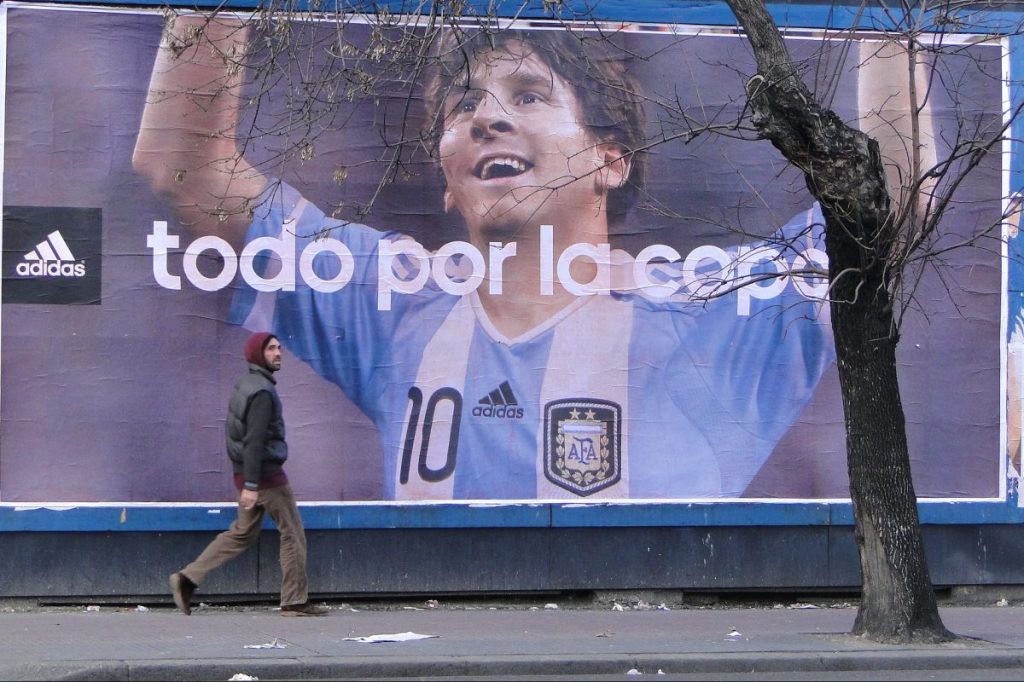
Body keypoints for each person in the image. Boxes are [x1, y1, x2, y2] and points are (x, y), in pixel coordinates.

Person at [134, 16, 924, 500]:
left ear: (611, 158)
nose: (486, 119)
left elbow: (886, 199)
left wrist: (897, 16)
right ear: (445, 180)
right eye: (463, 104)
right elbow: (185, 167)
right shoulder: (393, 300)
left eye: (529, 94)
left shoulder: (712, 309)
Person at [169, 331, 328, 617]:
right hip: (266, 477)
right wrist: (253, 484)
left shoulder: (246, 384)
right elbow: (254, 440)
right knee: (292, 533)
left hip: (249, 475)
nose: (278, 353)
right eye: (271, 349)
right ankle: (293, 601)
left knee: (243, 532)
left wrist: (246, 479)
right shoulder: (262, 393)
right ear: (258, 354)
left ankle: (187, 578)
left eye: (279, 348)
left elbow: (238, 436)